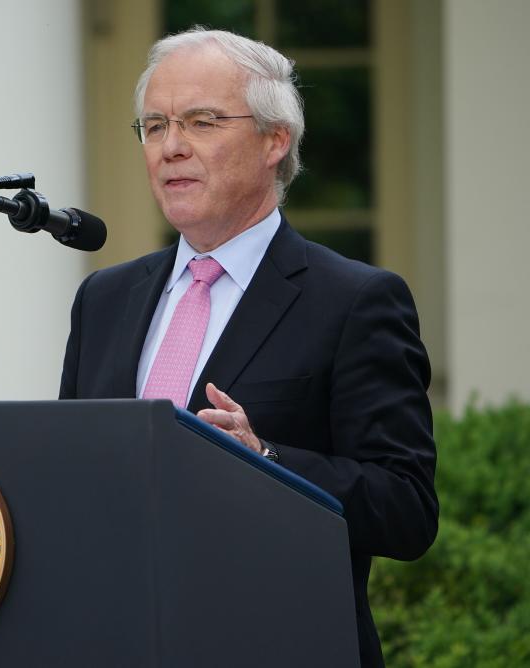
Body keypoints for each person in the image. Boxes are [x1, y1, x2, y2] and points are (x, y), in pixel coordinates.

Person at [59, 27, 437, 667]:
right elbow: (71, 483)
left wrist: (265, 459)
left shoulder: (354, 301)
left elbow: (405, 509)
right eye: (154, 127)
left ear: (274, 140)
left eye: (201, 122)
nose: (171, 147)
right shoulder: (104, 299)